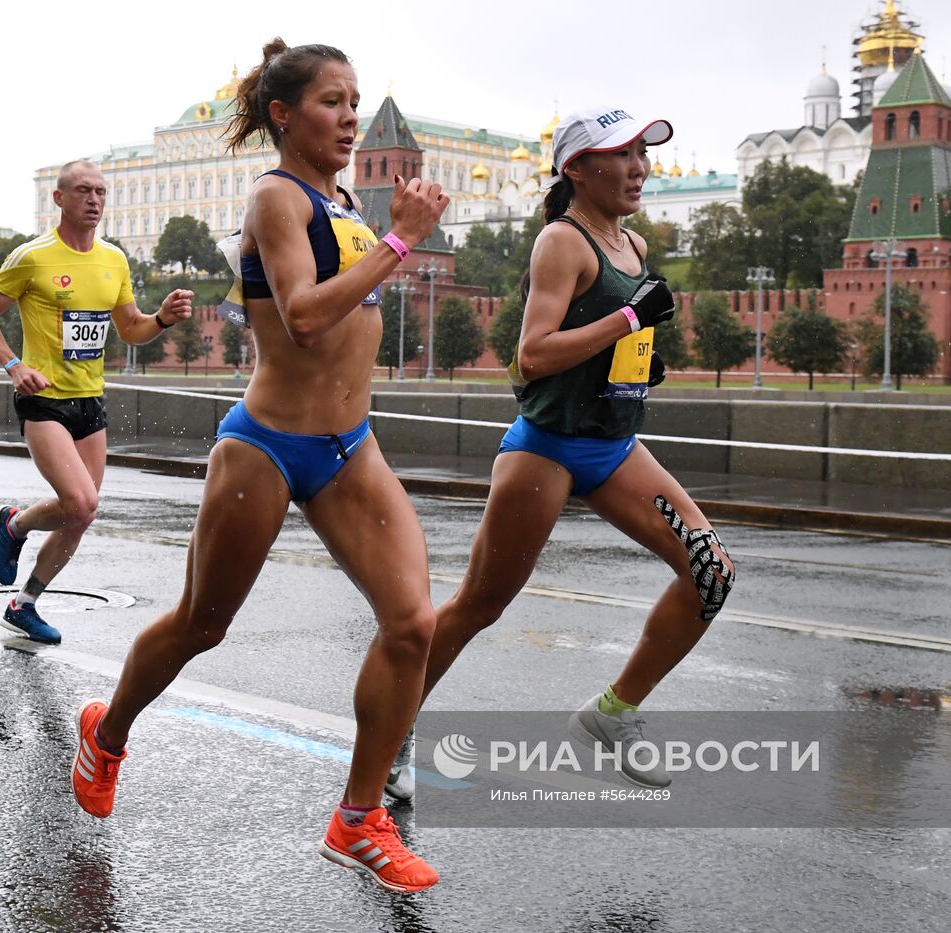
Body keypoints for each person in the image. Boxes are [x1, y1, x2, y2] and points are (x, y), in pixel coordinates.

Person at [69, 40, 449, 894]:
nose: (351, 117)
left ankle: (358, 819)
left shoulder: (343, 199)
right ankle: (109, 728)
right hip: (268, 444)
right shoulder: (277, 197)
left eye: (356, 102)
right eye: (332, 102)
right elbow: (306, 317)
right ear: (285, 114)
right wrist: (402, 239)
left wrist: (386, 233)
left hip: (352, 445)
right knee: (202, 624)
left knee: (412, 623)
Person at [387, 107, 737, 796]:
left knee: (711, 573)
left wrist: (636, 365)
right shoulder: (562, 240)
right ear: (577, 168)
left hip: (612, 446)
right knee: (478, 606)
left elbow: (607, 342)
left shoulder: (632, 246)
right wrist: (631, 319)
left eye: (644, 154)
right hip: (544, 450)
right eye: (623, 155)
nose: (639, 167)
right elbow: (532, 355)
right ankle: (392, 730)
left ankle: (612, 713)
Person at [0, 160, 193, 645]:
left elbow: (131, 328)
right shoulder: (33, 257)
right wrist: (13, 366)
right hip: (44, 400)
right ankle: (15, 523)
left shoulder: (114, 260)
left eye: (101, 192)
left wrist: (163, 319)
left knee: (83, 515)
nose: (94, 200)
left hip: (90, 401)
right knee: (80, 501)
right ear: (60, 199)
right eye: (84, 191)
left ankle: (23, 604)